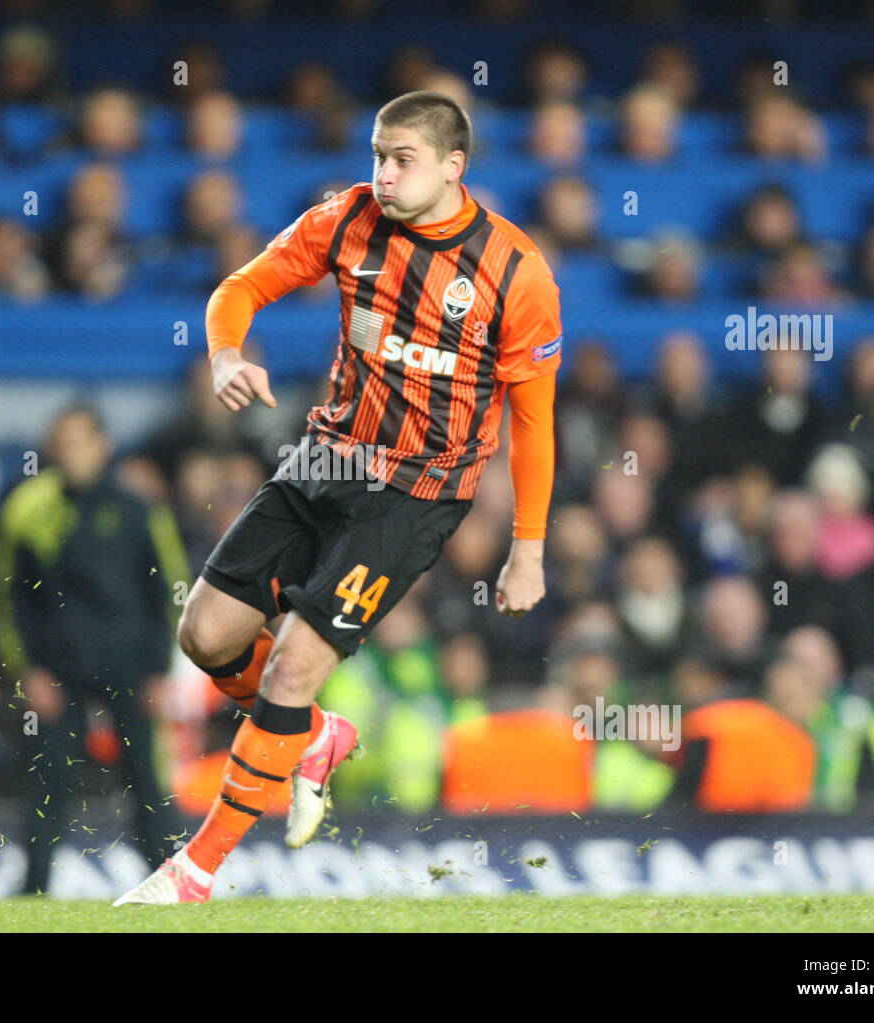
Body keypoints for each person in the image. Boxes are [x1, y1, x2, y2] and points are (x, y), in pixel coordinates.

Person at [116, 90, 561, 905]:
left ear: (454, 167)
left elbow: (534, 422)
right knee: (206, 635)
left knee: (290, 670)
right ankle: (314, 736)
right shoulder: (346, 221)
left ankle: (194, 872)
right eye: (377, 156)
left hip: (416, 493)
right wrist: (223, 357)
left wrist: (527, 548)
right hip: (326, 459)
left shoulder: (515, 272)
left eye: (403, 160)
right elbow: (238, 290)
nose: (383, 175)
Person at [0, 404, 191, 894]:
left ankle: (169, 886)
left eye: (82, 440)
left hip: (130, 669)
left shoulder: (139, 509)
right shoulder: (28, 509)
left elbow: (169, 590)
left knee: (147, 784)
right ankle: (34, 891)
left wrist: (160, 668)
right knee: (48, 785)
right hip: (58, 673)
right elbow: (8, 596)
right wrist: (27, 671)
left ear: (104, 445)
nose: (73, 451)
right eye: (64, 441)